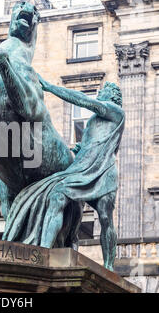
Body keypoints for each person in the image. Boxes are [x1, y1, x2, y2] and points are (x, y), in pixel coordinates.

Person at [38, 77, 125, 271]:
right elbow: (92, 143)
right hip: (82, 168)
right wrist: (80, 150)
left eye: (103, 92)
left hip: (104, 171)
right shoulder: (94, 121)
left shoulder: (116, 112)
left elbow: (84, 101)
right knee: (57, 195)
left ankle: (109, 265)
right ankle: (43, 251)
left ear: (111, 96)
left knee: (105, 217)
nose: (99, 94)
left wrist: (50, 86)